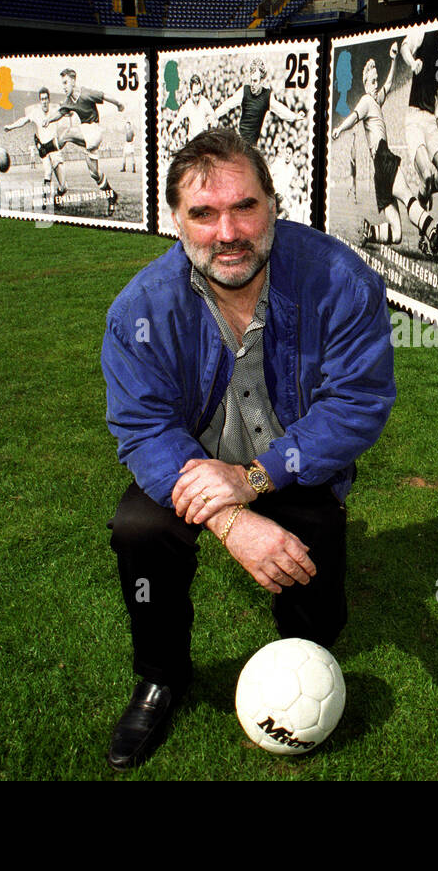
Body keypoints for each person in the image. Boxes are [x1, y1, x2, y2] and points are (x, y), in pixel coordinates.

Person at [100, 126, 395, 771]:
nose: (227, 232)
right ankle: (159, 677)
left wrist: (258, 478)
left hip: (295, 456)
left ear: (274, 203)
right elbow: (145, 429)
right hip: (191, 461)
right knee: (140, 528)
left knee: (314, 582)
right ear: (174, 220)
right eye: (203, 214)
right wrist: (233, 520)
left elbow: (356, 404)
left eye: (244, 207)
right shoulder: (139, 310)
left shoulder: (339, 280)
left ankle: (308, 657)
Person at [330, 56, 426, 248]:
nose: (376, 85)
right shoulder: (366, 100)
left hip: (379, 170)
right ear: (365, 84)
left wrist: (393, 60)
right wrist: (340, 128)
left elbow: (389, 84)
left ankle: (370, 231)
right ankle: (433, 231)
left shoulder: (376, 101)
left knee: (397, 234)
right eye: (372, 81)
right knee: (408, 196)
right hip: (383, 158)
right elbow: (354, 117)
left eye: (376, 80)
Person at [390, 27, 438, 253]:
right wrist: (412, 62)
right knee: (428, 175)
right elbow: (404, 46)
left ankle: (422, 194)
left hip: (431, 122)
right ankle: (426, 234)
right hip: (414, 120)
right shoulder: (425, 33)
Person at [49, 67, 125, 216]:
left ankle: (45, 148)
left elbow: (104, 96)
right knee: (95, 174)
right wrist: (47, 119)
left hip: (94, 130)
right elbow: (59, 113)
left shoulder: (86, 93)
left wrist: (118, 104)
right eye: (62, 83)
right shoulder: (69, 101)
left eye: (65, 83)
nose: (63, 87)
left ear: (73, 81)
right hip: (88, 136)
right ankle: (112, 196)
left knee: (67, 133)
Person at [3, 86, 68, 208]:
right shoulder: (36, 113)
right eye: (42, 99)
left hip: (54, 149)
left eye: (46, 99)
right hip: (44, 149)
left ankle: (57, 196)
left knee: (64, 187)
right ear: (40, 101)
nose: (44, 101)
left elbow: (67, 112)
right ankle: (45, 201)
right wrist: (11, 127)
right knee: (47, 172)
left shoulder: (55, 111)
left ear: (49, 99)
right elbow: (24, 120)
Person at [219, 58, 300, 147]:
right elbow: (228, 105)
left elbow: (280, 110)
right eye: (251, 80)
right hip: (240, 143)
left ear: (262, 80)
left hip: (253, 145)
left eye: (255, 81)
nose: (252, 85)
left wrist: (295, 116)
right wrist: (214, 114)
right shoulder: (244, 91)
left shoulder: (267, 96)